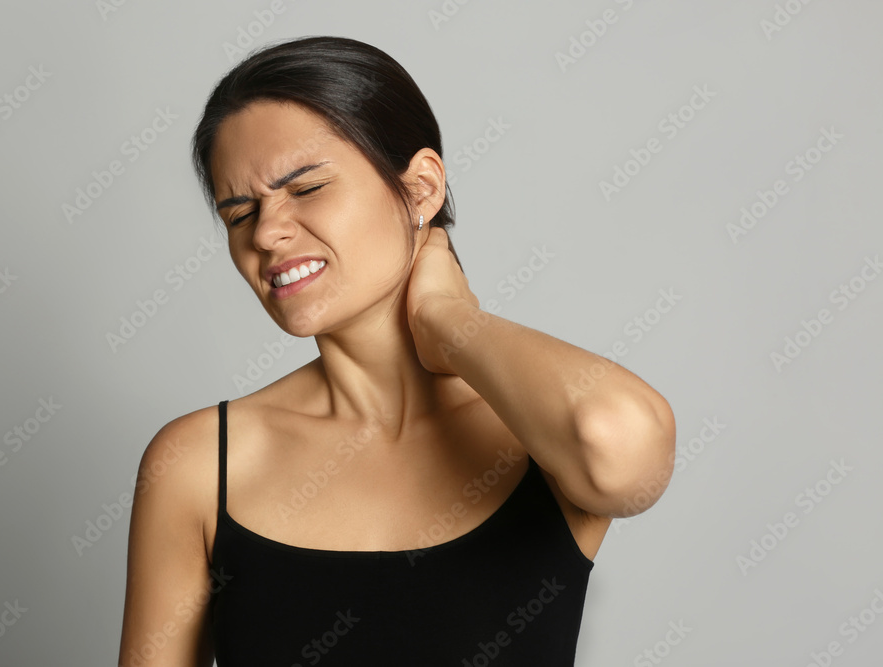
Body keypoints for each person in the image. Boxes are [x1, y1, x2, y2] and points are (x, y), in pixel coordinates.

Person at [118, 35, 676, 666]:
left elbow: (623, 451)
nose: (268, 234)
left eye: (306, 188)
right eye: (241, 213)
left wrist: (449, 320)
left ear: (420, 189)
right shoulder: (200, 463)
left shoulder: (539, 435)